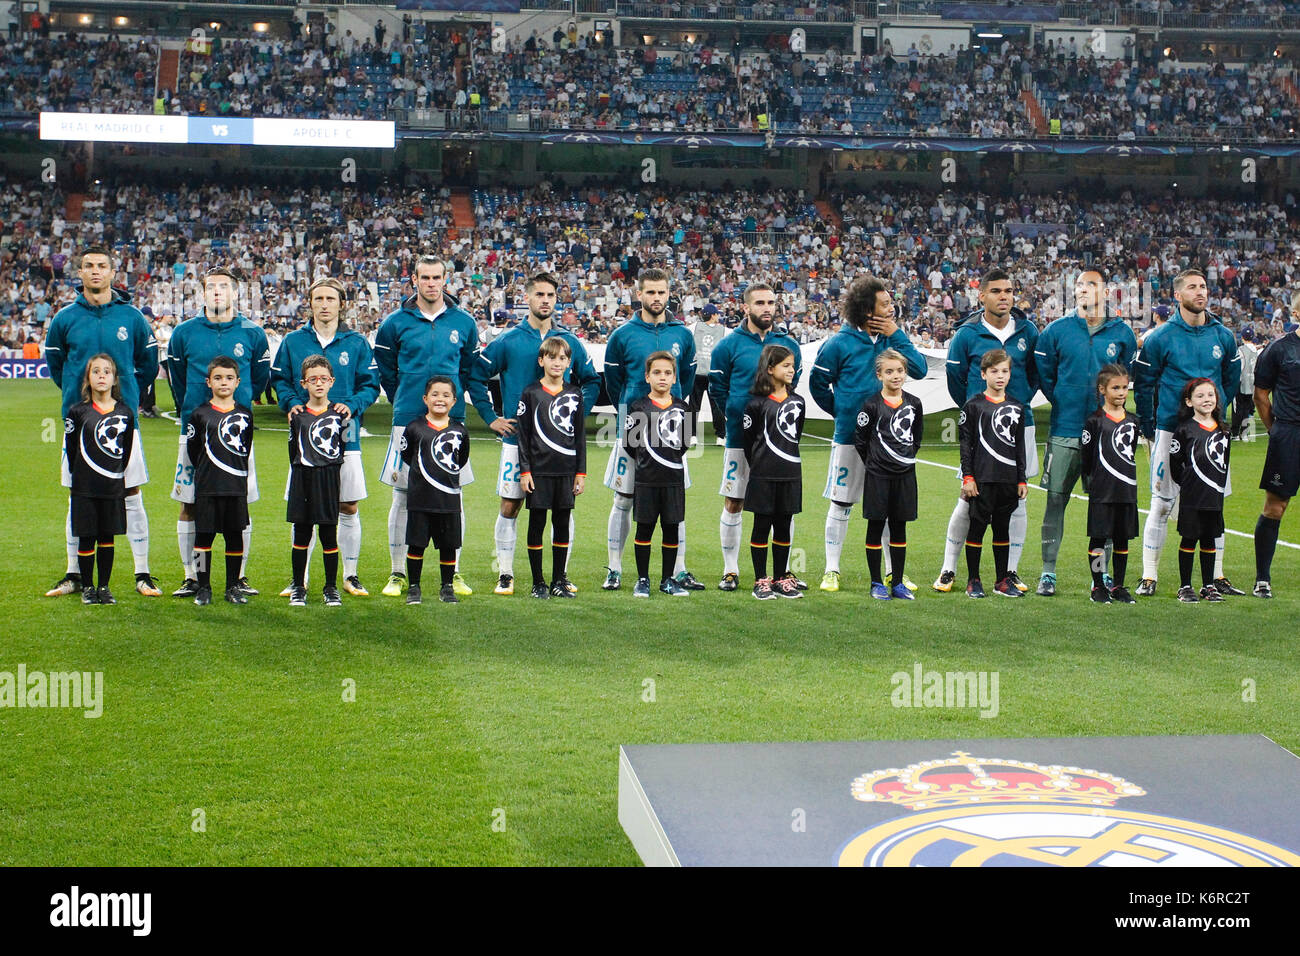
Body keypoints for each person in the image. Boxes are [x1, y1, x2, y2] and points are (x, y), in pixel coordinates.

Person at [470, 272, 599, 596]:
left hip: (559, 450)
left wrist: (574, 411)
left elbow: (592, 380)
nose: (545, 300)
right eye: (539, 294)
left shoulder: (567, 342)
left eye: (550, 295)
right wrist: (491, 417)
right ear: (527, 298)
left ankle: (560, 574)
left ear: (557, 300)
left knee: (562, 508)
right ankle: (506, 572)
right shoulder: (509, 341)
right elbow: (475, 375)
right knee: (511, 505)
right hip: (519, 443)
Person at [44, 246, 160, 599]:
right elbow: (57, 369)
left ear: (113, 272)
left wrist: (125, 399)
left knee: (131, 493)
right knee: (76, 496)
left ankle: (142, 573)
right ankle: (74, 573)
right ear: (80, 273)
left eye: (102, 266)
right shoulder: (65, 318)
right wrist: (78, 400)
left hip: (122, 425)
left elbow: (149, 364)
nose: (96, 271)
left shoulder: (132, 318)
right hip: (78, 425)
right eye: (89, 266)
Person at [375, 256, 492, 599]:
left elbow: (469, 372)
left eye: (436, 277)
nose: (430, 283)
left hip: (451, 426)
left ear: (445, 279)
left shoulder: (464, 323)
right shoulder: (395, 323)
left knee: (454, 495)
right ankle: (398, 572)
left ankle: (452, 573)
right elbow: (386, 370)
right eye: (424, 277)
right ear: (414, 280)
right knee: (401, 496)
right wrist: (407, 399)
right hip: (406, 421)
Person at [810, 274, 926, 593]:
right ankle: (832, 569)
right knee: (842, 502)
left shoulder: (892, 339)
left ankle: (892, 573)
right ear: (866, 309)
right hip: (850, 438)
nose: (891, 308)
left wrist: (897, 333)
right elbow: (817, 384)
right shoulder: (838, 343)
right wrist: (844, 411)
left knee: (889, 509)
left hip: (891, 444)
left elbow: (920, 369)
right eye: (885, 304)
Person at [1133, 269, 1242, 597]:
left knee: (1215, 505)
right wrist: (1151, 428)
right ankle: (1149, 575)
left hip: (1211, 436)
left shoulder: (1222, 336)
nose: (1201, 292)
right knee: (1162, 504)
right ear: (1177, 295)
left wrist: (1217, 418)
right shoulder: (1160, 337)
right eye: (1193, 287)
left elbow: (1230, 380)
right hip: (1170, 432)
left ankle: (1217, 576)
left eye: (1204, 287)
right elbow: (1145, 385)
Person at [270, 277, 379, 597]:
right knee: (303, 507)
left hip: (346, 434)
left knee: (348, 505)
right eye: (318, 298)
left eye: (331, 298)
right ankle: (299, 579)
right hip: (305, 437)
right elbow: (279, 381)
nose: (324, 304)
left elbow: (371, 384)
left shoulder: (356, 342)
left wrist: (354, 405)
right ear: (311, 303)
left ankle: (350, 574)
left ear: (341, 303)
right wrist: (291, 404)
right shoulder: (293, 341)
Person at [1033, 270, 1137, 596]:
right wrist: (1064, 401)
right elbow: (1046, 378)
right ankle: (1048, 572)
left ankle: (1102, 575)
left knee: (1104, 507)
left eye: (1091, 284)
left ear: (1107, 292)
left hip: (1106, 437)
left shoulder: (1121, 333)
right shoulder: (1055, 331)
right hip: (1065, 429)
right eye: (1078, 284)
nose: (1083, 289)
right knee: (1054, 502)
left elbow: (1123, 378)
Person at [167, 267, 269, 598]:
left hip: (237, 436)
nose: (217, 292)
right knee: (190, 504)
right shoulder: (183, 333)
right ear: (202, 292)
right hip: (195, 430)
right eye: (210, 287)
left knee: (241, 504)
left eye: (224, 287)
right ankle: (192, 577)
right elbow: (179, 379)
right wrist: (191, 407)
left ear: (235, 293)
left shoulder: (253, 333)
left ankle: (237, 578)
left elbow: (260, 378)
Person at [935, 269, 1038, 594]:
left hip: (1019, 426)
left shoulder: (1028, 331)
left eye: (1008, 290)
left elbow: (1035, 376)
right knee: (968, 499)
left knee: (1017, 502)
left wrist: (1018, 402)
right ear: (982, 296)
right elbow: (956, 381)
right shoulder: (966, 334)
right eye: (996, 291)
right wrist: (974, 410)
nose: (1004, 296)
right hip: (980, 431)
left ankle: (1010, 572)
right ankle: (949, 568)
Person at [601, 269, 698, 592]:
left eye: (662, 292)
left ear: (669, 294)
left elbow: (685, 378)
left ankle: (678, 571)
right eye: (650, 292)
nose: (656, 298)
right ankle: (615, 568)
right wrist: (630, 410)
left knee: (675, 503)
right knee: (624, 499)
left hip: (671, 432)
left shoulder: (682, 335)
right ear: (638, 294)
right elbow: (614, 385)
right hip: (635, 428)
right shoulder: (622, 335)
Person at [709, 282, 803, 592]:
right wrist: (736, 417)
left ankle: (783, 571)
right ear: (746, 307)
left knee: (782, 507)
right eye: (760, 302)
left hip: (778, 444)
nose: (767, 308)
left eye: (771, 302)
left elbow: (793, 385)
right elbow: (717, 389)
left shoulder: (788, 345)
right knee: (735, 501)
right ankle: (731, 570)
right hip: (741, 439)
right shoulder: (728, 345)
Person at [515, 337, 587, 599]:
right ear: (541, 360)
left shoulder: (574, 393)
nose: (557, 362)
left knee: (562, 523)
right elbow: (523, 435)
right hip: (539, 471)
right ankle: (538, 582)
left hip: (566, 471)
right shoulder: (531, 392)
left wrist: (581, 472)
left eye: (562, 358)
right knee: (537, 523)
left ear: (569, 362)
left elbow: (579, 436)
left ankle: (558, 580)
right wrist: (525, 470)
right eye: (552, 357)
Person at [853, 348, 924, 601]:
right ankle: (875, 583)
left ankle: (897, 583)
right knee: (875, 527)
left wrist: (902, 459)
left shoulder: (914, 403)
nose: (896, 376)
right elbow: (860, 440)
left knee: (899, 528)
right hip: (878, 477)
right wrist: (876, 463)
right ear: (879, 375)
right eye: (890, 371)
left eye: (900, 371)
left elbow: (916, 438)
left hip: (905, 475)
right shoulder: (871, 405)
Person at [64, 354, 135, 605]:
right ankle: (88, 587)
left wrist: (113, 474)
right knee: (87, 537)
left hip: (112, 486)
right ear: (88, 378)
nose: (102, 376)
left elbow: (125, 452)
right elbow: (71, 450)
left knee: (107, 537)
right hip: (85, 488)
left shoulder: (125, 412)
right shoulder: (78, 412)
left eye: (107, 371)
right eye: (96, 371)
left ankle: (104, 587)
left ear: (114, 378)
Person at [958, 350, 1028, 598]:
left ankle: (1001, 581)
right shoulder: (974, 405)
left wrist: (1022, 478)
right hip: (982, 479)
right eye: (995, 371)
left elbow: (1019, 445)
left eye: (1005, 371)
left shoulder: (1017, 407)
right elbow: (965, 444)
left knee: (1002, 529)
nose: (1000, 376)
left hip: (1007, 479)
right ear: (983, 373)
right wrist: (968, 477)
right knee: (977, 528)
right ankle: (973, 580)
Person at [186, 357, 255, 607]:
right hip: (208, 487)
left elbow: (245, 450)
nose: (223, 382)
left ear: (237, 382)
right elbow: (194, 452)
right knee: (203, 539)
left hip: (235, 487)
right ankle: (203, 586)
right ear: (209, 382)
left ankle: (231, 586)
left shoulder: (245, 414)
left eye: (228, 378)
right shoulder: (199, 414)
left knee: (234, 538)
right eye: (218, 377)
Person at [623, 351, 692, 598]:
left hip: (673, 480)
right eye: (657, 373)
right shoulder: (638, 407)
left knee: (671, 529)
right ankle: (643, 579)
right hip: (646, 480)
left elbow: (683, 444)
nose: (662, 377)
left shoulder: (683, 408)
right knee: (644, 530)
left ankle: (667, 579)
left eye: (667, 373)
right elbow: (630, 444)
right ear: (647, 376)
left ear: (674, 378)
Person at [399, 376, 470, 606]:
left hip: (448, 499)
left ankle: (447, 587)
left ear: (454, 401)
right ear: (425, 399)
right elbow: (407, 456)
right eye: (435, 394)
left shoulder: (460, 431)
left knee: (448, 546)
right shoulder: (414, 428)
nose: (440, 399)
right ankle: (414, 587)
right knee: (417, 544)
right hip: (420, 499)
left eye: (446, 395)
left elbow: (461, 459)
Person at [743, 344, 805, 600]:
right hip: (763, 475)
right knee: (761, 526)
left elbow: (795, 437)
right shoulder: (756, 404)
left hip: (790, 474)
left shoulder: (798, 402)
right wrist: (761, 465)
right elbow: (749, 443)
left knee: (783, 526)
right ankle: (761, 580)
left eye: (792, 365)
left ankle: (781, 578)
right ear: (770, 369)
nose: (791, 370)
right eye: (786, 365)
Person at [286, 355, 348, 608]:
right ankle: (298, 587)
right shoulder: (297, 416)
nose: (319, 384)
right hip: (303, 478)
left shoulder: (341, 414)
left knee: (328, 535)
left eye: (324, 379)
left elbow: (345, 446)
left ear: (332, 382)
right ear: (304, 384)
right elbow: (292, 451)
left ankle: (331, 587)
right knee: (301, 534)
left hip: (328, 479)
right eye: (313, 379)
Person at [1080, 364, 1140, 604]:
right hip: (1102, 491)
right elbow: (1086, 458)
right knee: (1098, 538)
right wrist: (1094, 483)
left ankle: (1118, 585)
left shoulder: (1133, 421)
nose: (1122, 392)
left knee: (1122, 539)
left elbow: (1130, 452)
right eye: (1116, 388)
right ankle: (1097, 586)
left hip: (1126, 490)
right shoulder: (1094, 421)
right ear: (1103, 389)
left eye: (1125, 387)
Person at [1169, 378, 1232, 603]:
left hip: (1214, 497)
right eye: (1200, 396)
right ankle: (1185, 586)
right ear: (1189, 401)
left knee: (1209, 540)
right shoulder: (1185, 430)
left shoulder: (1223, 430)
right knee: (1189, 539)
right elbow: (1175, 463)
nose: (1207, 400)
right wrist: (1188, 484)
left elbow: (1224, 463)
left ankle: (1208, 586)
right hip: (1192, 497)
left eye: (1210, 395)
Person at [1251, 320, 1300, 598]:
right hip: (1289, 433)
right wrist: (1276, 431)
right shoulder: (1280, 349)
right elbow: (1260, 395)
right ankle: (1262, 579)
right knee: (1275, 507)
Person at [691, 305, 725, 445]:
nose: (718, 316)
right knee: (716, 405)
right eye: (717, 314)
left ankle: (691, 435)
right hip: (713, 373)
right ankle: (721, 436)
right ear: (712, 315)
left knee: (693, 406)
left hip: (697, 372)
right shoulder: (723, 330)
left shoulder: (693, 327)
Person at [1231, 326, 1261, 440]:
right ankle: (1244, 434)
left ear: (1242, 337)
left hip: (1241, 382)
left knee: (1237, 408)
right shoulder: (1256, 351)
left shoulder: (1241, 350)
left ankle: (1235, 433)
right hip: (1251, 383)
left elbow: (1239, 367)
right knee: (1247, 409)